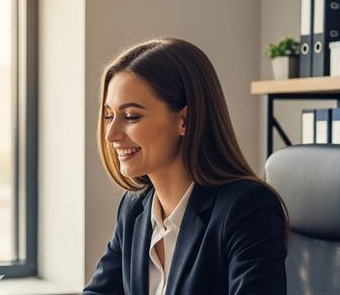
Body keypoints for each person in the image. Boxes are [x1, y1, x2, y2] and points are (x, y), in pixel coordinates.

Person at [82, 38, 288, 295]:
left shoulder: (246, 208)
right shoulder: (134, 208)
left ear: (185, 121)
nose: (111, 134)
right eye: (109, 116)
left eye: (131, 116)